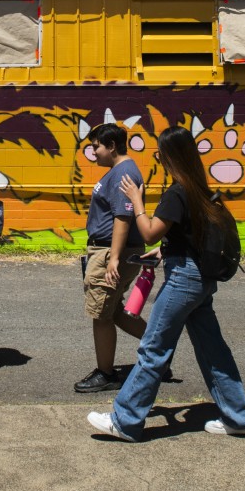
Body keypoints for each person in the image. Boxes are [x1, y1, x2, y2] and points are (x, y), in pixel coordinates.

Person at [87, 126, 245, 441]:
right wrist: (166, 250)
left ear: (170, 156)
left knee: (154, 348)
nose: (158, 157)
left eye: (162, 153)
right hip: (200, 278)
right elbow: (188, 236)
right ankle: (240, 417)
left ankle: (125, 421)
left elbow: (150, 230)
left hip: (184, 281)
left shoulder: (177, 192)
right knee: (212, 350)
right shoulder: (199, 189)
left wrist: (137, 202)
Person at [75, 122, 148, 393]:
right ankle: (159, 352)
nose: (93, 152)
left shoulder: (123, 173)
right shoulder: (119, 171)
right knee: (114, 311)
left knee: (101, 314)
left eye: (96, 146)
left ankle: (105, 373)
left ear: (112, 146)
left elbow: (123, 217)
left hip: (110, 251)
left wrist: (114, 258)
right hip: (106, 249)